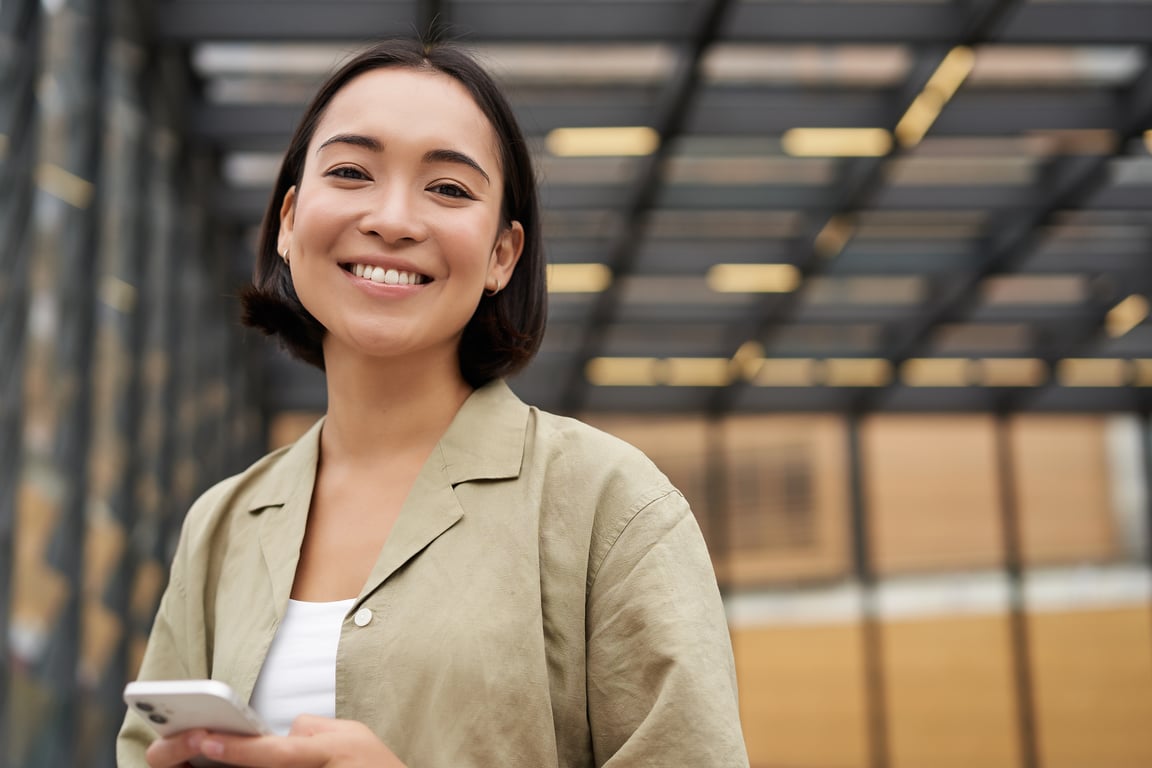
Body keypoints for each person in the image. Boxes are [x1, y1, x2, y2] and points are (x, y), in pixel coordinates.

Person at [118, 38, 749, 768]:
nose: (393, 219)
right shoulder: (222, 523)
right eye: (351, 172)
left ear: (501, 255)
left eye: (448, 189)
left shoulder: (608, 504)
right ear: (289, 221)